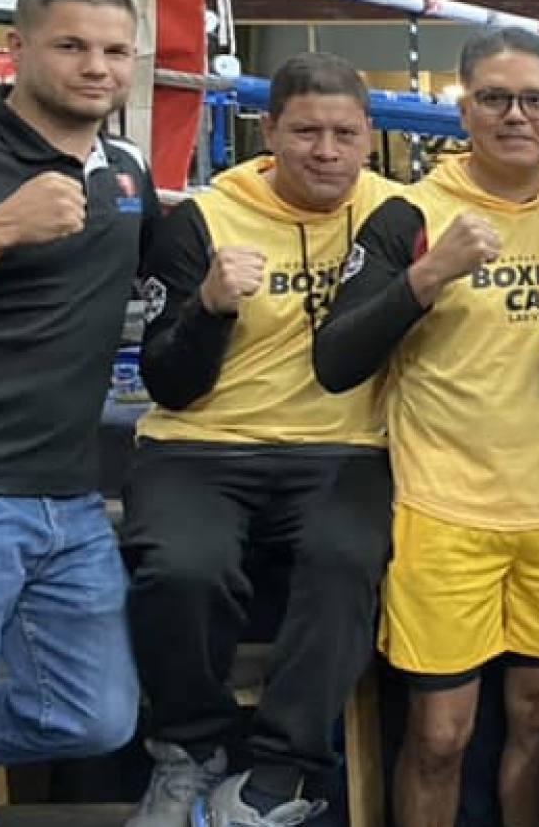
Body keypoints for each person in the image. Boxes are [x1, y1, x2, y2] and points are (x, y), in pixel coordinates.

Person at [313, 29, 539, 827]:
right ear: (464, 109)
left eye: (535, 100)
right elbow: (336, 359)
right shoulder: (412, 212)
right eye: (495, 98)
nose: (516, 115)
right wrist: (428, 274)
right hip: (445, 510)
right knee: (441, 733)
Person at [123, 54, 401, 827]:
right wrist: (208, 306)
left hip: (344, 446)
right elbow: (165, 381)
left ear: (369, 135)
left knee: (344, 562)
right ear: (268, 130)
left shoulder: (398, 215)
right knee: (182, 567)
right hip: (200, 443)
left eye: (345, 133)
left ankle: (277, 775)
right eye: (306, 132)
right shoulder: (205, 219)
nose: (326, 151)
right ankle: (188, 751)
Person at [0, 0, 148, 771]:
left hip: (68, 496)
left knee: (93, 718)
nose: (97, 67)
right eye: (72, 46)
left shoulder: (126, 167)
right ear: (17, 48)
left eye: (116, 51)